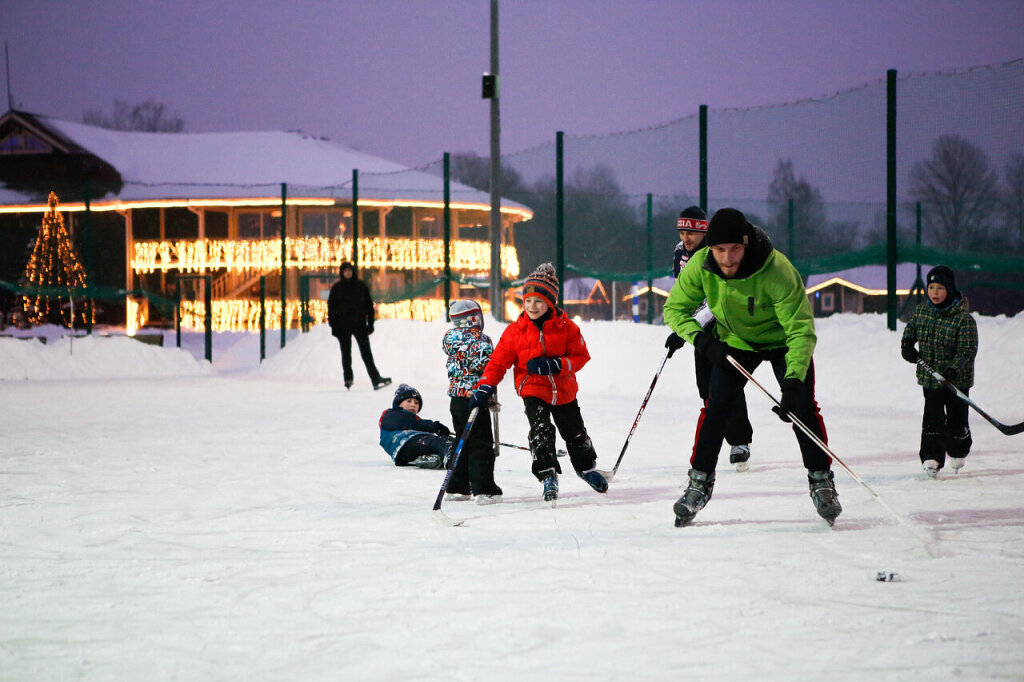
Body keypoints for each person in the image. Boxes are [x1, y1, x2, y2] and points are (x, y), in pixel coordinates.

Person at [663, 208, 841, 527]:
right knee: (716, 408)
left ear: (746, 245)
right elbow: (674, 310)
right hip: (737, 342)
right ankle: (699, 483)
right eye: (720, 250)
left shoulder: (776, 270)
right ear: (710, 249)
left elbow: (800, 329)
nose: (727, 258)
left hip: (782, 341)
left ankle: (821, 480)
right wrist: (703, 341)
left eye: (734, 249)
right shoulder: (701, 266)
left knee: (802, 407)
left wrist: (792, 383)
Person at [469, 263, 609, 502]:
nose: (532, 307)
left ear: (550, 303)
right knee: (541, 431)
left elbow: (580, 356)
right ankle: (547, 474)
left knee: (575, 431)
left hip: (564, 389)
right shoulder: (515, 332)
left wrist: (556, 365)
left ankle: (586, 467)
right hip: (532, 388)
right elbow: (498, 363)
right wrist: (485, 385)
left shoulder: (567, 328)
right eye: (528, 301)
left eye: (539, 301)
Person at [665, 206, 754, 471]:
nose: (686, 237)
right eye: (682, 231)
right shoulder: (680, 252)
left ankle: (740, 440)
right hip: (701, 329)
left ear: (704, 232)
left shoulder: (717, 254)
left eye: (691, 232)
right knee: (706, 386)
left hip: (727, 324)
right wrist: (682, 327)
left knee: (726, 381)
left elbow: (717, 300)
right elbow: (685, 294)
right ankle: (716, 432)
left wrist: (690, 326)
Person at [900, 265, 978, 477]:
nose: (934, 292)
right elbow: (911, 330)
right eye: (931, 287)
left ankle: (958, 449)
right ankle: (931, 456)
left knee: (956, 419)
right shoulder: (922, 312)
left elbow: (968, 350)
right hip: (931, 379)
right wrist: (907, 344)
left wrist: (953, 370)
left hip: (956, 381)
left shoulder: (963, 319)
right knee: (932, 418)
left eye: (940, 288)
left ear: (950, 290)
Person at [442, 299, 503, 504]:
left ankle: (458, 487)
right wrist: (490, 397)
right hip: (475, 400)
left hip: (456, 400)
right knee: (481, 444)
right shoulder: (481, 341)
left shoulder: (450, 339)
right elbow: (489, 369)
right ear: (474, 319)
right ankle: (484, 489)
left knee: (462, 441)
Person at [327, 261, 391, 390]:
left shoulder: (361, 287)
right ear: (342, 273)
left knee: (366, 353)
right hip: (343, 327)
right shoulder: (337, 289)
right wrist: (334, 326)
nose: (348, 273)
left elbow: (369, 306)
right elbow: (331, 309)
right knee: (346, 354)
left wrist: (371, 323)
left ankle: (375, 378)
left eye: (350, 270)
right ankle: (348, 378)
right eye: (345, 271)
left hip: (359, 325)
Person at [378, 384, 453, 468]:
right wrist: (436, 427)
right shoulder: (392, 413)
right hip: (405, 443)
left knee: (444, 442)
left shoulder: (410, 420)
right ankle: (453, 459)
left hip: (404, 454)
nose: (413, 404)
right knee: (439, 442)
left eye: (416, 403)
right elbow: (417, 424)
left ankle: (430, 459)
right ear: (398, 403)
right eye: (409, 401)